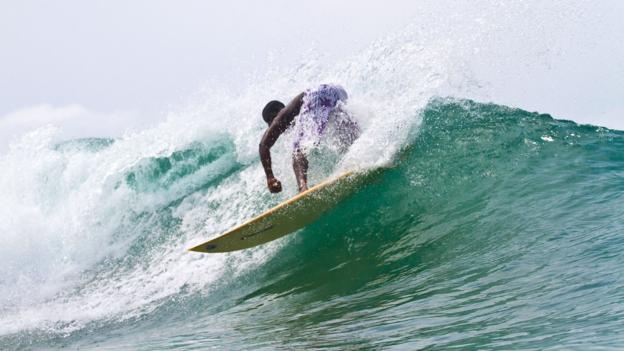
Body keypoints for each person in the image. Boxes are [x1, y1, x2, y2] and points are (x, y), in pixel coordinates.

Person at [259, 84, 360, 193]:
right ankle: (360, 159)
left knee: (298, 150)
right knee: (345, 133)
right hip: (336, 92)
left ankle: (302, 188)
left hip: (315, 97)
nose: (270, 126)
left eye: (269, 121)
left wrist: (270, 177)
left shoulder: (281, 117)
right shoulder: (299, 114)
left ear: (274, 115)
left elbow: (263, 145)